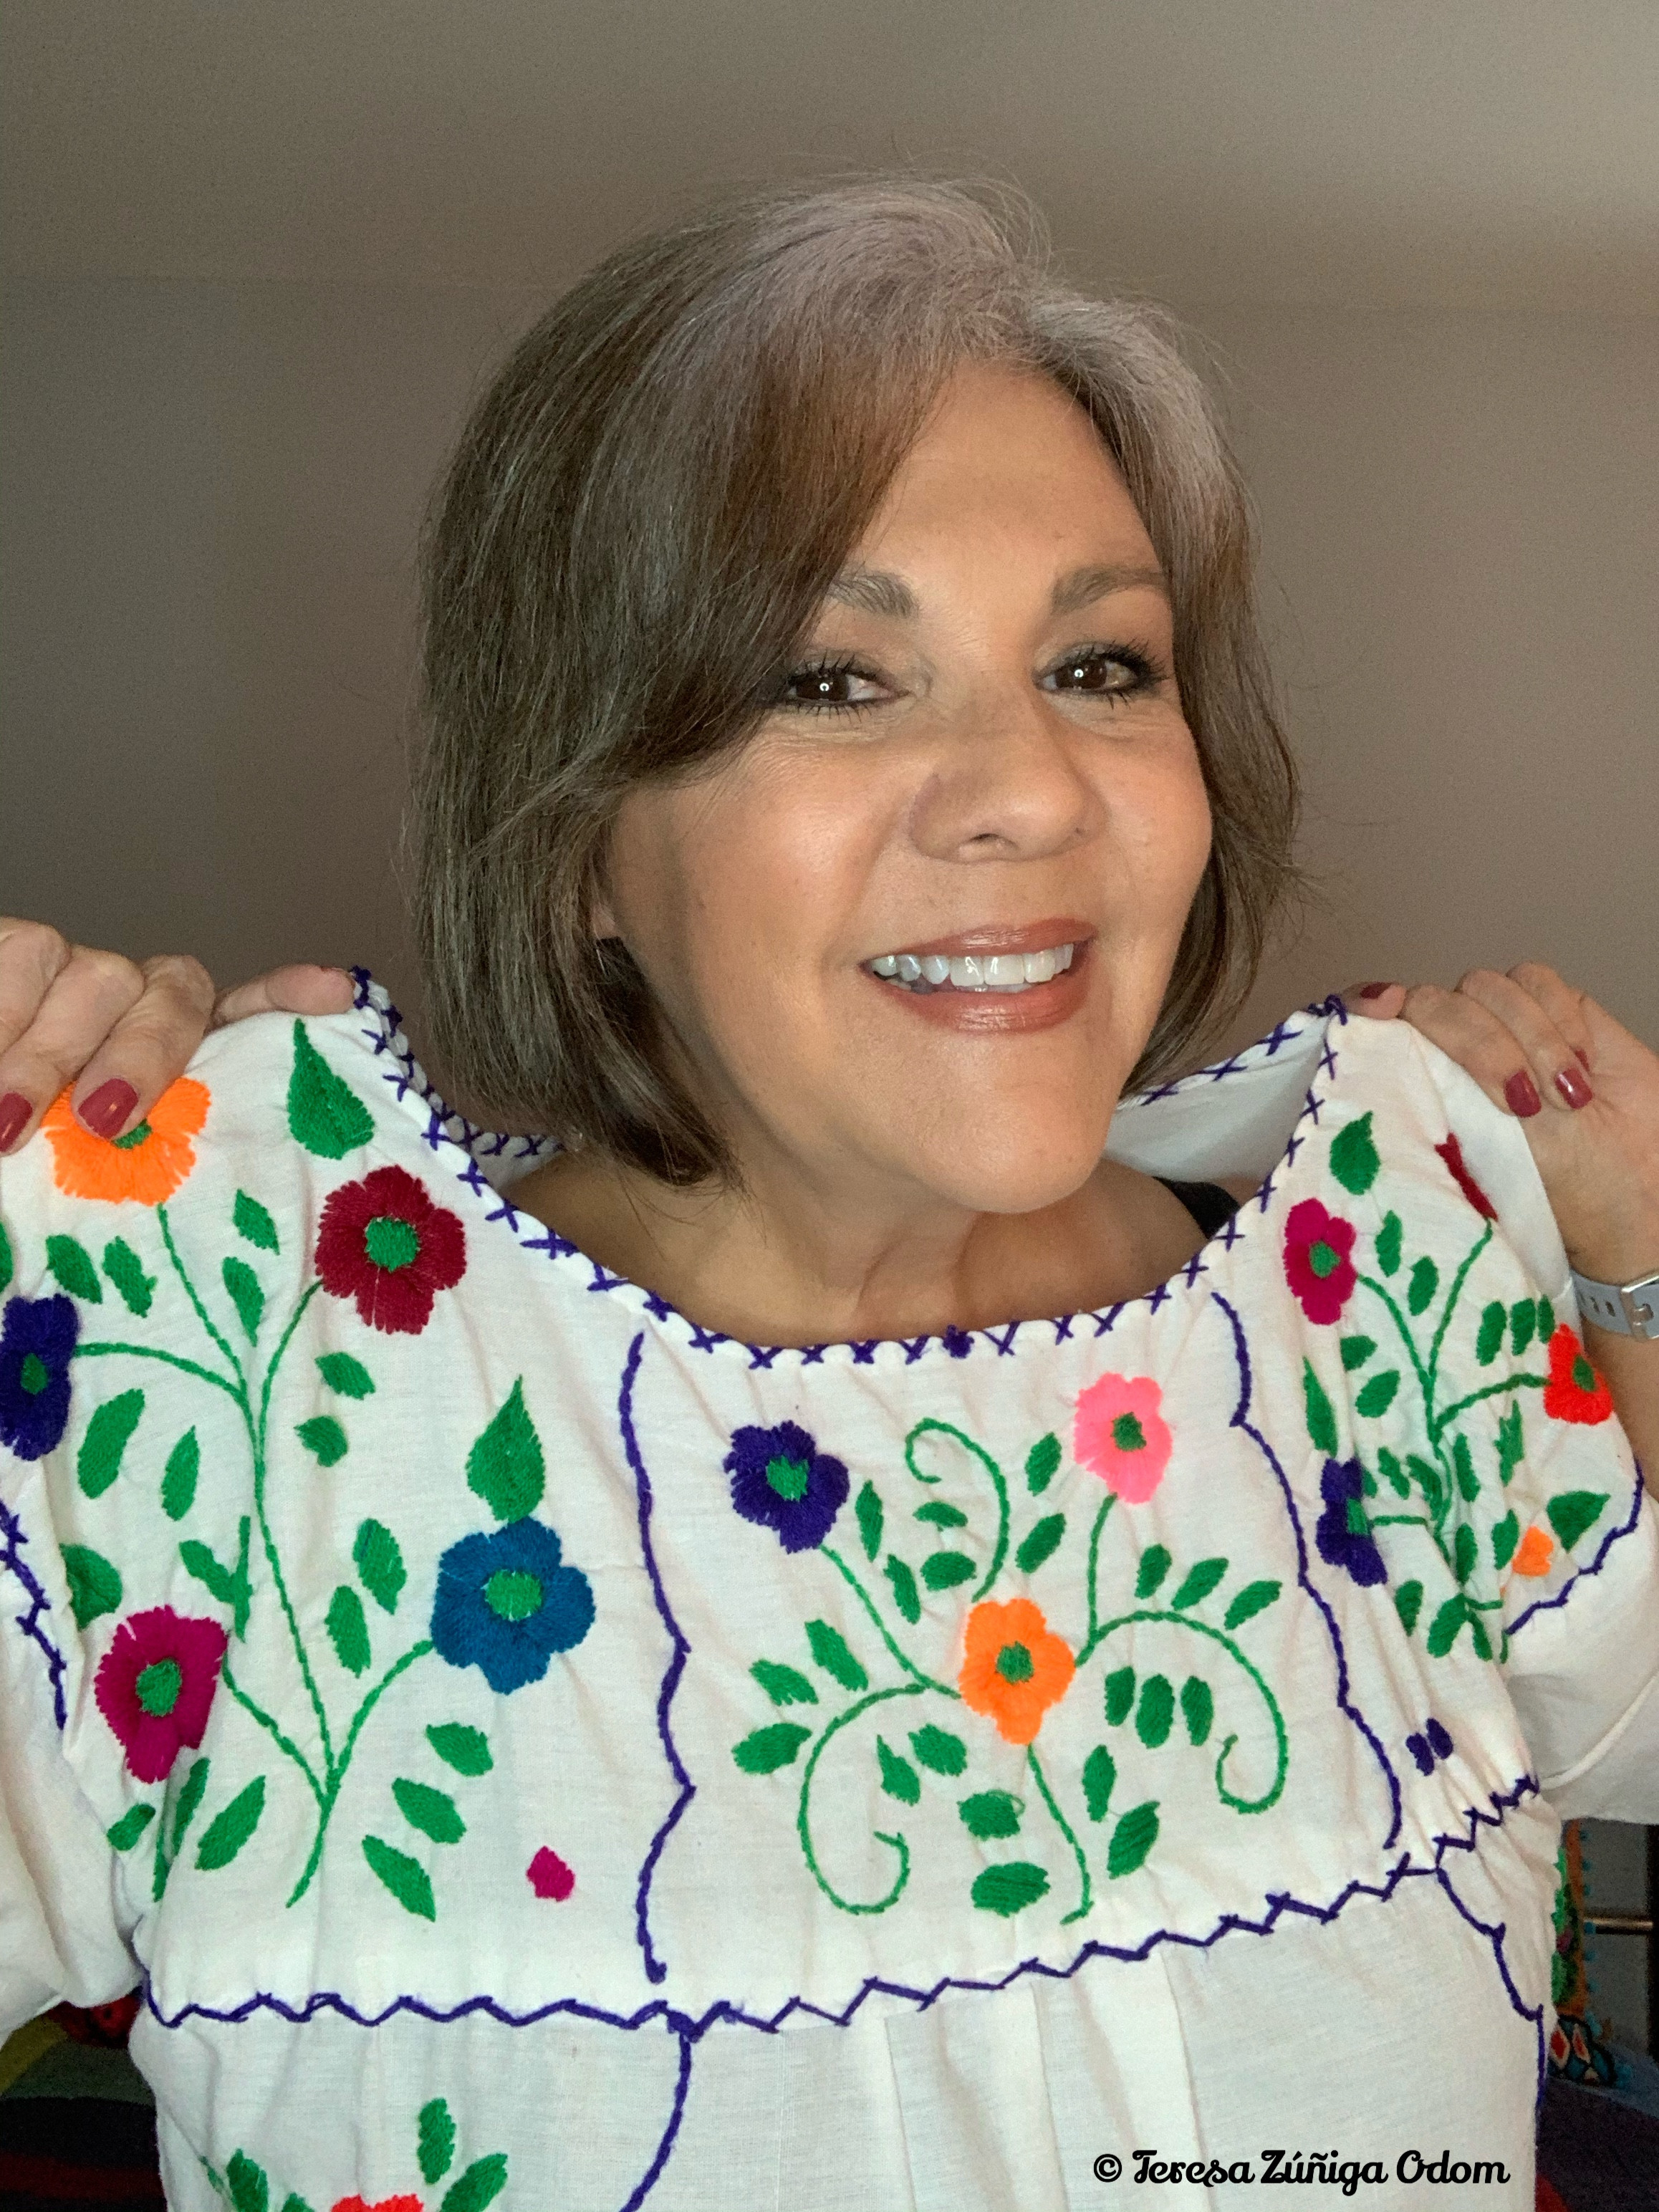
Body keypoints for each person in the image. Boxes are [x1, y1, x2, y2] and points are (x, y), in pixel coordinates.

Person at [2, 179, 1657, 2212]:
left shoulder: (1374, 1273)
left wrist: (1638, 1253)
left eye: (1106, 664)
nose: (1033, 789)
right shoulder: (232, 1376)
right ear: (578, 840)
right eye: (832, 678)